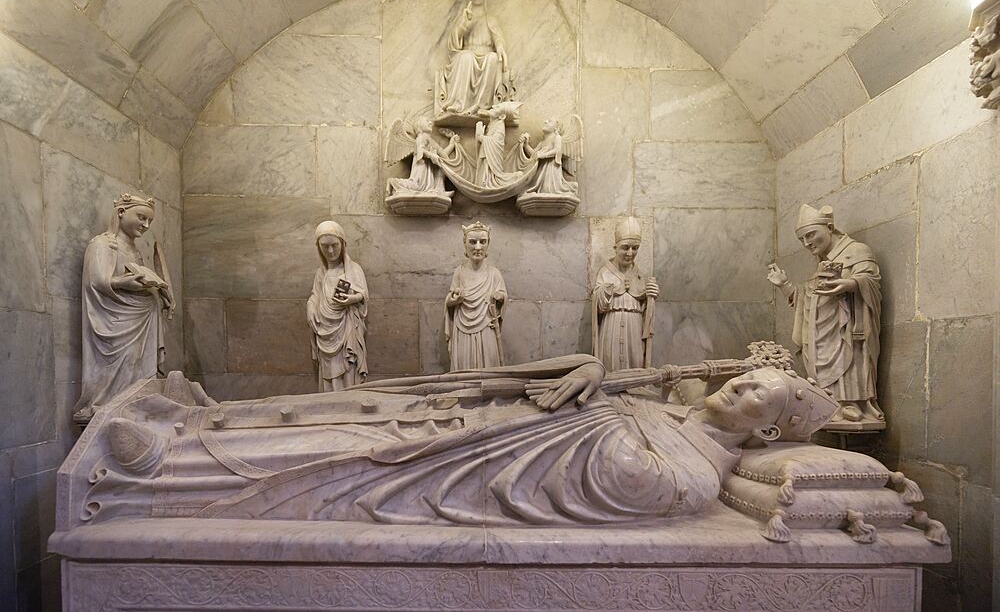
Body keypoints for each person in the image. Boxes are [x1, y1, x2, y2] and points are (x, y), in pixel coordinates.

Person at [83, 351, 838, 526]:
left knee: (345, 450)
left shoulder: (696, 474)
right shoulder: (669, 415)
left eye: (753, 393)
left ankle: (165, 464)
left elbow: (614, 478)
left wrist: (602, 405)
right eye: (743, 374)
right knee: (360, 408)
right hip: (483, 425)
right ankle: (201, 418)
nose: (736, 383)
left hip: (473, 466)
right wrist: (590, 368)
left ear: (768, 429)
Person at [767, 204, 883, 424]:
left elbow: (871, 281)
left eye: (811, 235)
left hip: (846, 328)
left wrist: (850, 284)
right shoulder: (822, 262)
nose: (807, 243)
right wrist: (784, 285)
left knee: (848, 357)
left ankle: (850, 402)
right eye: (802, 240)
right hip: (819, 334)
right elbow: (808, 299)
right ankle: (829, 403)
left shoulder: (857, 251)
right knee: (822, 366)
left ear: (829, 227)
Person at [75, 193, 173, 422]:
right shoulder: (103, 244)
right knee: (124, 360)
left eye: (149, 221)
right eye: (141, 217)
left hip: (142, 319)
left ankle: (135, 402)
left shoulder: (136, 251)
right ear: (121, 213)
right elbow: (97, 281)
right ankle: (106, 402)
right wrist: (124, 282)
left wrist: (160, 291)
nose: (145, 225)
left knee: (138, 364)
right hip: (115, 321)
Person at [435, 0, 513, 117]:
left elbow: (498, 38)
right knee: (466, 57)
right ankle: (460, 104)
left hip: (486, 56)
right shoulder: (464, 17)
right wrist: (464, 25)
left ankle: (483, 106)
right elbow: (453, 44)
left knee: (493, 57)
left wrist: (501, 48)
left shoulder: (491, 19)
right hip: (467, 56)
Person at [307, 220, 368, 391]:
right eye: (325, 247)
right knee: (329, 376)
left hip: (347, 328)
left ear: (342, 244)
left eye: (334, 245)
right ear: (319, 248)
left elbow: (363, 294)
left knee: (349, 368)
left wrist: (352, 299)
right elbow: (315, 295)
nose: (331, 251)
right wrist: (310, 307)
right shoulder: (321, 273)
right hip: (325, 331)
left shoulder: (353, 269)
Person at [593, 217, 658, 370]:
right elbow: (598, 304)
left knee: (634, 361)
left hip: (634, 328)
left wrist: (650, 297)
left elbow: (646, 311)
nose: (630, 253)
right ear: (615, 247)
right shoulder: (605, 272)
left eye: (635, 248)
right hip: (611, 326)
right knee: (611, 363)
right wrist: (608, 290)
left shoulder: (640, 275)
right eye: (625, 247)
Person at [445, 221, 507, 370]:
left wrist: (499, 297)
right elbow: (449, 299)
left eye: (483, 242)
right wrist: (454, 299)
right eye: (473, 242)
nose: (478, 247)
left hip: (487, 326)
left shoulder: (494, 273)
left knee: (489, 364)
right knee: (463, 366)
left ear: (488, 244)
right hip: (462, 327)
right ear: (465, 244)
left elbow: (503, 296)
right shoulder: (459, 272)